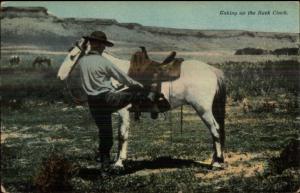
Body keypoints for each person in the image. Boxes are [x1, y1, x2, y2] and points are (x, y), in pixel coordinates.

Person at [77, 31, 154, 168]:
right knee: (137, 91)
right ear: (100, 46)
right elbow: (122, 77)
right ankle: (149, 102)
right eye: (103, 45)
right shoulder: (103, 61)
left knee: (105, 134)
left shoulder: (82, 62)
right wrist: (138, 85)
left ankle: (104, 168)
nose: (104, 48)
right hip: (108, 99)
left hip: (93, 103)